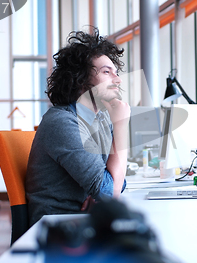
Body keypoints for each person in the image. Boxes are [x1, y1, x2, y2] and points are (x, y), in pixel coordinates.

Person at [26, 28, 130, 227]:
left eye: (116, 73)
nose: (118, 80)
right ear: (80, 79)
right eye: (107, 72)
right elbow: (111, 189)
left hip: (81, 220)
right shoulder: (63, 122)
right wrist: (121, 126)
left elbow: (117, 180)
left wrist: (101, 192)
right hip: (57, 228)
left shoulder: (98, 121)